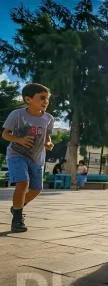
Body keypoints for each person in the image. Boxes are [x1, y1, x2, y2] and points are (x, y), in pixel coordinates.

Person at [1, 83, 54, 232]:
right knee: (23, 183)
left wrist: (48, 143)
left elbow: (47, 136)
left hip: (37, 158)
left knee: (36, 189)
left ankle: (17, 207)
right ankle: (17, 219)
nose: (46, 102)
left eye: (47, 99)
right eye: (42, 98)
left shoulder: (48, 118)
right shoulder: (17, 115)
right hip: (17, 154)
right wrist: (20, 140)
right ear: (28, 99)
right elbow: (5, 134)